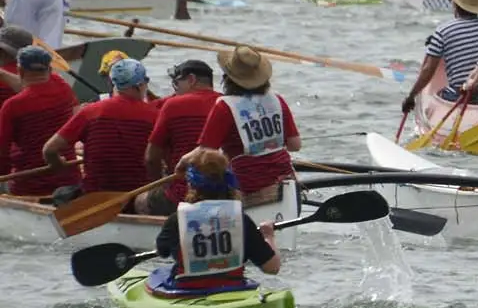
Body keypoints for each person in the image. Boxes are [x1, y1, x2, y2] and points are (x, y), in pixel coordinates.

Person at [149, 146, 282, 296]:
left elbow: (162, 251)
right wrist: (268, 236)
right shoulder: (240, 219)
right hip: (232, 289)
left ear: (191, 185)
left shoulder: (177, 219)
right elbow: (272, 268)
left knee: (158, 274)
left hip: (187, 292)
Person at [45, 55, 160, 201]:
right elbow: (156, 159)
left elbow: (49, 149)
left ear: (112, 82)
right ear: (140, 85)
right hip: (138, 195)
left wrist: (58, 165)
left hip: (95, 195)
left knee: (61, 194)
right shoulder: (156, 116)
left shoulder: (90, 111)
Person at [196, 46, 299, 205]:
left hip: (248, 188)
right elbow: (294, 145)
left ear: (227, 78)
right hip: (287, 183)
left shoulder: (224, 106)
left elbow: (205, 154)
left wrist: (183, 162)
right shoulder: (277, 100)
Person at [139, 58, 223, 213]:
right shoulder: (225, 102)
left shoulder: (173, 105)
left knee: (140, 201)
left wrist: (160, 184)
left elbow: (151, 158)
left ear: (191, 80)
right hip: (224, 191)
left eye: (177, 84)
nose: (175, 91)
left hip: (183, 192)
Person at [404, 0, 478, 115]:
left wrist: (411, 96)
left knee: (440, 95)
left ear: (456, 6)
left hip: (463, 93)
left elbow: (428, 70)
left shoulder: (443, 30)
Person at [0, 46, 79, 195]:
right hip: (70, 180)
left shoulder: (12, 106)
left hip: (27, 186)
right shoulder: (63, 87)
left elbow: (2, 155)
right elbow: (31, 86)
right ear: (49, 69)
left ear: (20, 71)